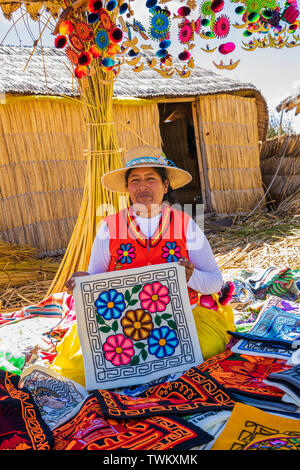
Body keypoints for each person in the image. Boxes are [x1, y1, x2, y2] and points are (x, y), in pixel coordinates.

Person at [50, 145, 235, 386]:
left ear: (165, 186)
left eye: (151, 179)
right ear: (127, 188)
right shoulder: (110, 227)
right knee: (80, 368)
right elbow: (95, 280)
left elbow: (214, 282)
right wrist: (82, 283)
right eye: (135, 180)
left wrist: (190, 276)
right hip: (121, 325)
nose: (143, 186)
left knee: (204, 348)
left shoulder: (184, 224)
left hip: (182, 318)